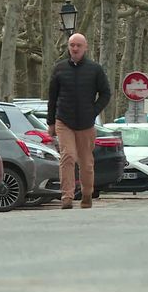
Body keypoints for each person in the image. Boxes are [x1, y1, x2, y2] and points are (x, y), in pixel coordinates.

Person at [47, 33, 111, 209]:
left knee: (86, 162)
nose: (75, 49)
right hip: (64, 120)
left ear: (85, 47)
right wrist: (51, 123)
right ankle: (66, 196)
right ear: (68, 47)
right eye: (72, 45)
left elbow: (106, 93)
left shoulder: (95, 69)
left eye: (78, 46)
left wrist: (93, 111)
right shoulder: (59, 69)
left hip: (86, 122)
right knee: (67, 156)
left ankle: (86, 194)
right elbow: (52, 98)